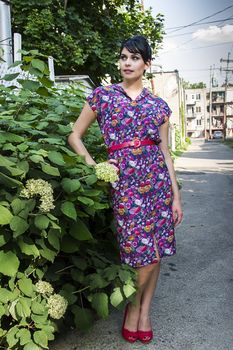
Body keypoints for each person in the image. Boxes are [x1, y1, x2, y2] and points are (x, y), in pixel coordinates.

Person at [68, 35, 183, 344]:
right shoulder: (102, 96)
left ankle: (143, 312)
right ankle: (133, 308)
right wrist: (96, 167)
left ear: (146, 64)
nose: (127, 62)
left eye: (134, 58)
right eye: (123, 57)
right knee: (140, 253)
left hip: (157, 184)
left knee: (155, 252)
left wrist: (176, 195)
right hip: (126, 187)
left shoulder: (159, 106)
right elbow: (75, 136)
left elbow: (166, 153)